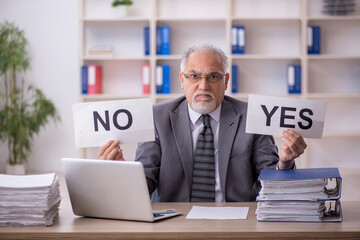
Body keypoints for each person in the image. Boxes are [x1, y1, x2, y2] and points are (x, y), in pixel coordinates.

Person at [98, 43, 307, 202]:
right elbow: (145, 184)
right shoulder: (157, 117)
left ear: (225, 82)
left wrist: (286, 162)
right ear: (182, 80)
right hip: (175, 223)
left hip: (239, 221)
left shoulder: (251, 116)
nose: (203, 85)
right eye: (194, 76)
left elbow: (270, 184)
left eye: (213, 76)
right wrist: (122, 172)